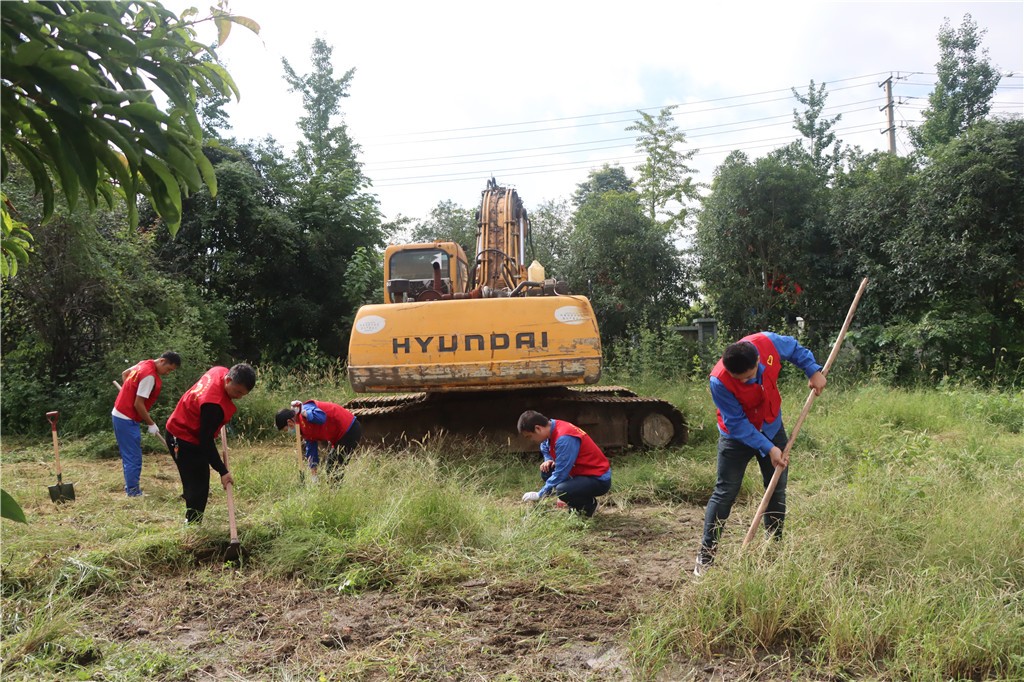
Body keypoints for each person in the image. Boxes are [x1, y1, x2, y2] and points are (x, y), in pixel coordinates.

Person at [694, 332, 827, 577]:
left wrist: (813, 370)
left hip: (772, 426)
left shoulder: (767, 344)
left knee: (776, 488)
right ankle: (706, 555)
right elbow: (737, 423)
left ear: (757, 360)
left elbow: (794, 349)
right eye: (741, 379)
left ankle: (773, 551)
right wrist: (769, 448)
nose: (747, 381)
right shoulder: (719, 381)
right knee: (725, 492)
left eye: (750, 375)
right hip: (736, 438)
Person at [164, 363, 256, 524]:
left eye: (243, 394)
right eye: (237, 392)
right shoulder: (213, 405)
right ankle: (192, 524)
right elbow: (205, 441)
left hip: (185, 428)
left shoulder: (218, 371)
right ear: (228, 380)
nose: (239, 397)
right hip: (182, 437)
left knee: (195, 480)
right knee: (197, 484)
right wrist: (223, 471)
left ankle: (192, 515)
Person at [112, 351, 181, 497]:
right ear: (162, 361)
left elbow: (125, 374)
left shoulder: (144, 363)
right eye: (168, 369)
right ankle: (133, 492)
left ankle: (131, 488)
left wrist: (128, 393)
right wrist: (151, 424)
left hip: (120, 413)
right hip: (126, 418)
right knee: (133, 457)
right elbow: (138, 404)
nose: (168, 373)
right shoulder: (150, 376)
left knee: (130, 454)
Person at [518, 410, 611, 517]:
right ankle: (574, 502)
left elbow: (561, 473)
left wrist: (540, 494)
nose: (531, 440)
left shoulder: (564, 437)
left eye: (529, 436)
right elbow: (545, 445)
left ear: (538, 428)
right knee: (547, 470)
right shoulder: (551, 427)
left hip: (597, 478)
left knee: (563, 490)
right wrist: (548, 459)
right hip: (580, 473)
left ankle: (588, 506)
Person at [275, 400, 362, 482]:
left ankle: (335, 491)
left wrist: (303, 412)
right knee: (332, 465)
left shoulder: (305, 410)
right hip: (339, 436)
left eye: (286, 430)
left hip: (349, 428)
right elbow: (311, 450)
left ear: (289, 422)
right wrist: (314, 474)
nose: (288, 432)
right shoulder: (302, 429)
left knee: (333, 466)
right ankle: (335, 489)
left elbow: (321, 418)